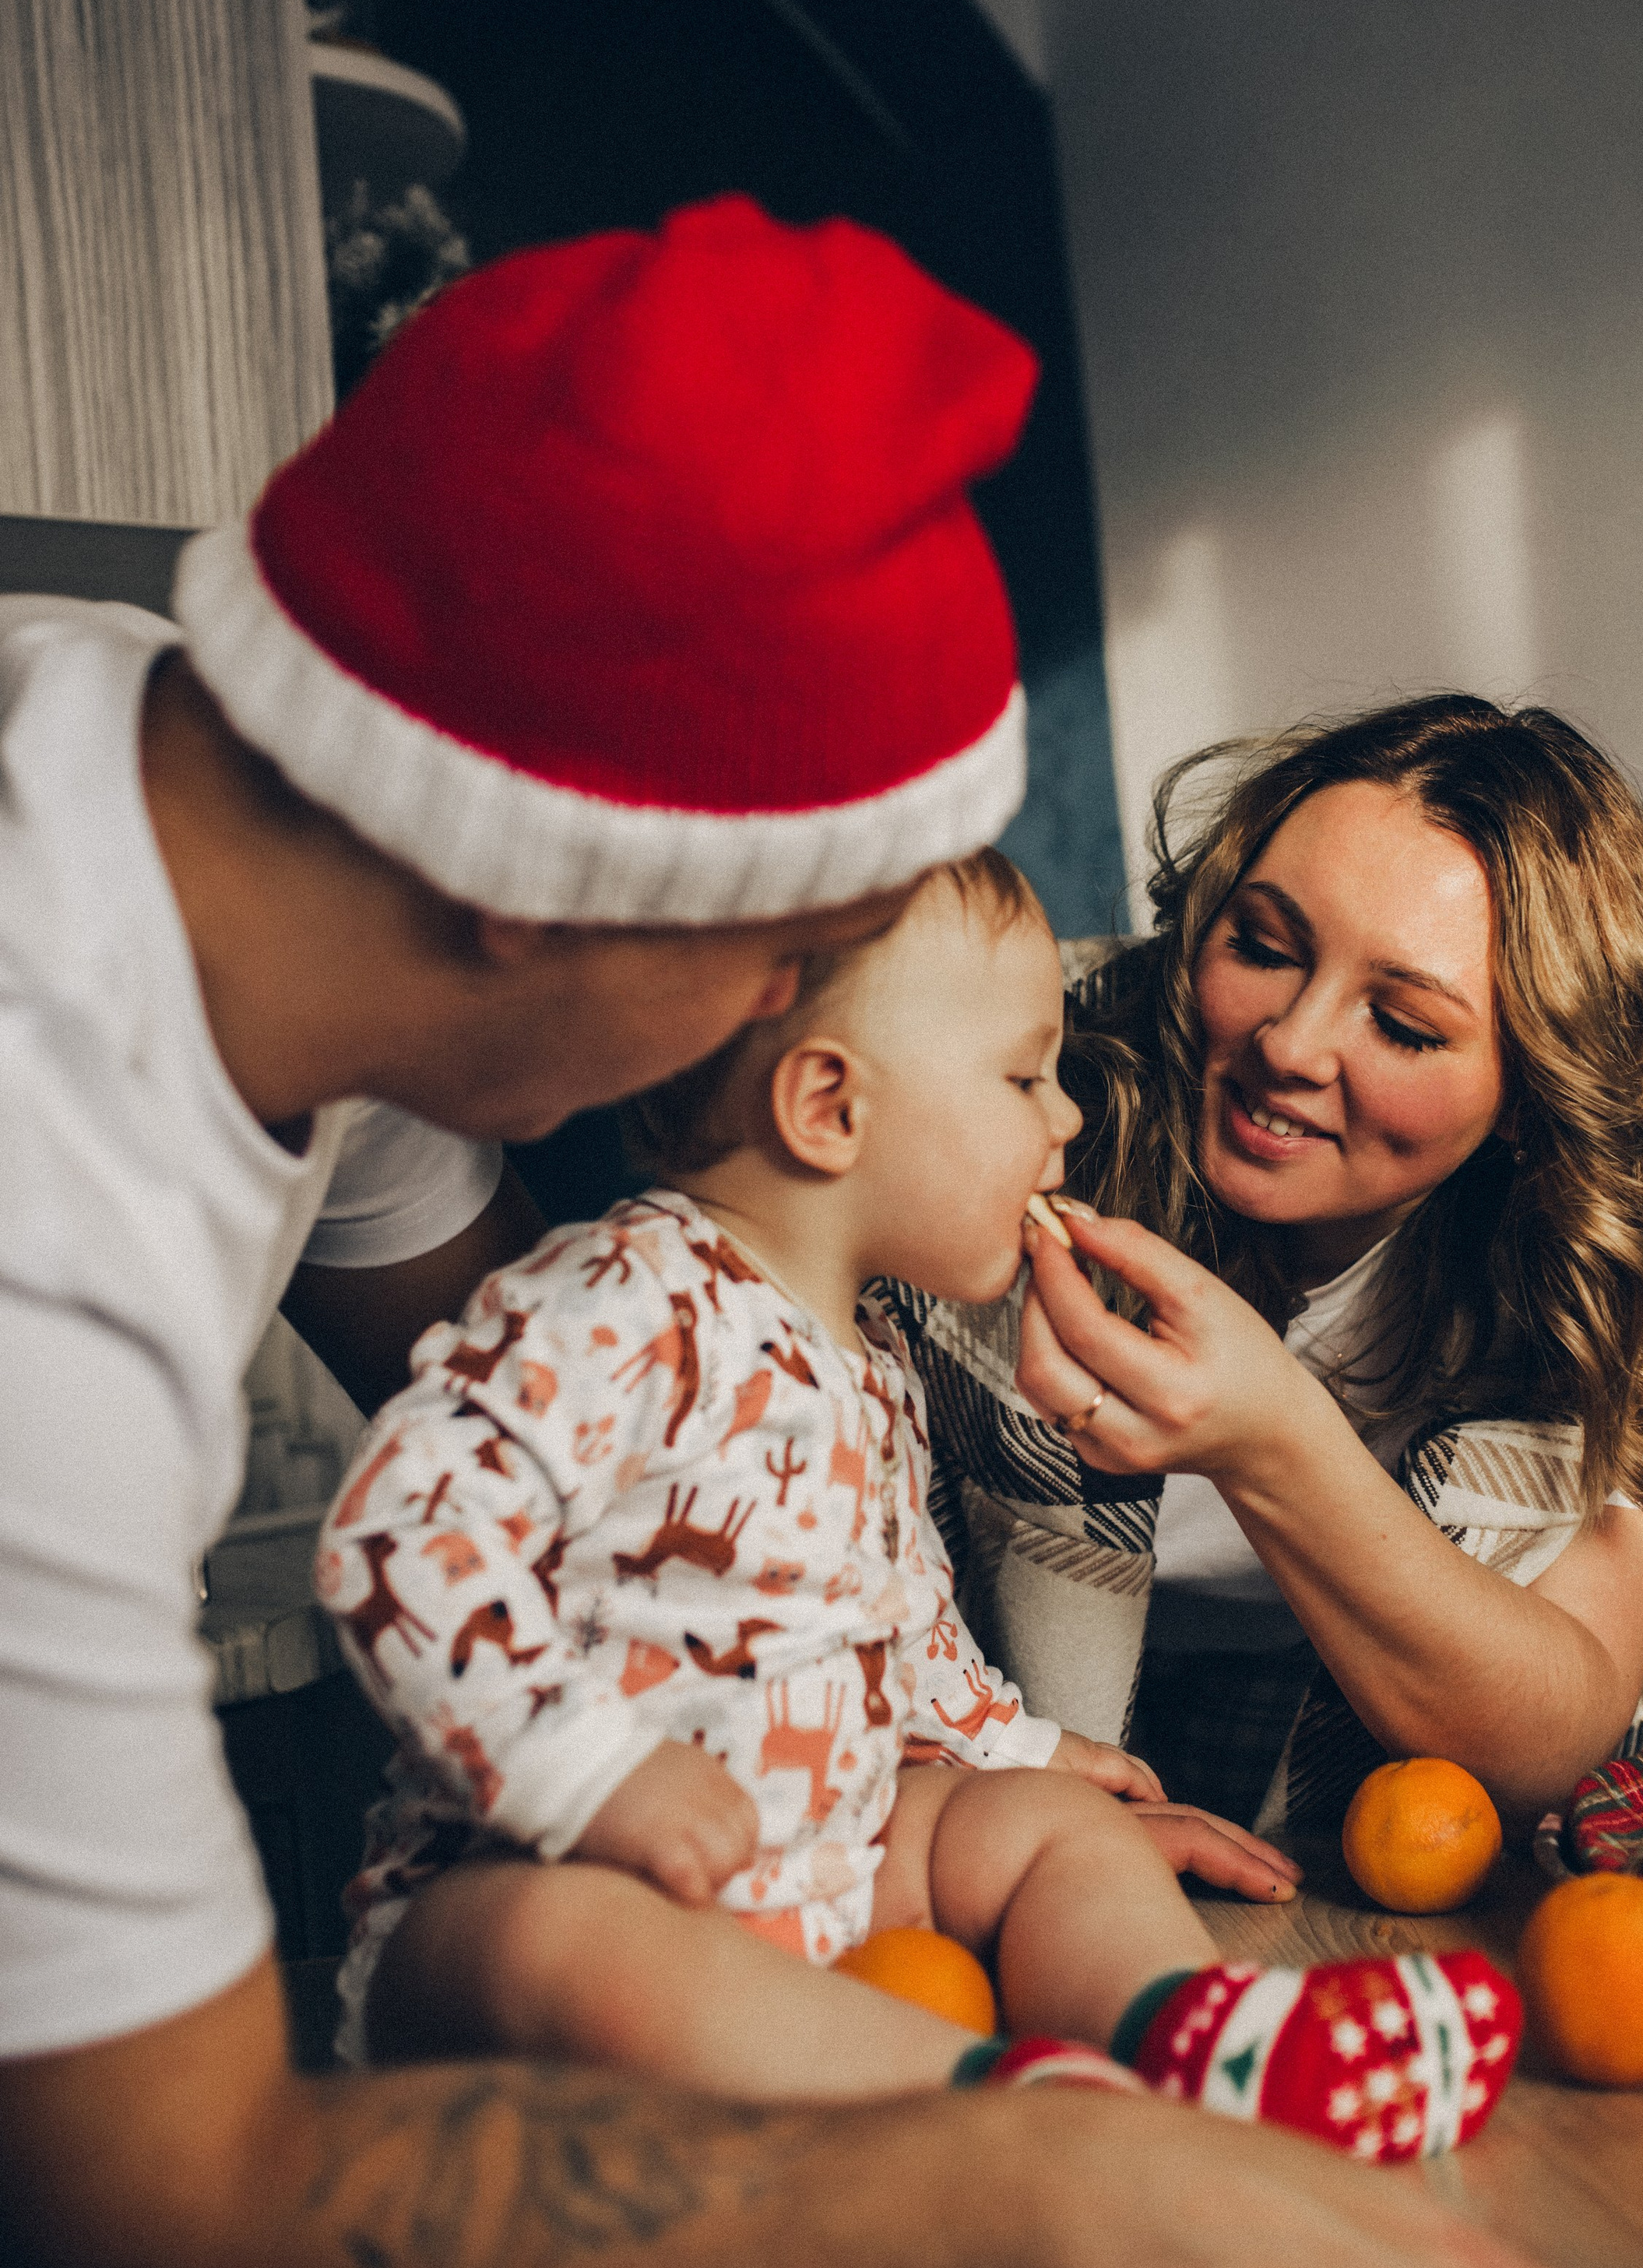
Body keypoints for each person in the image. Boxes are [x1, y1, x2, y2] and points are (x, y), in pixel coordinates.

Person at [0, 200, 1631, 2268]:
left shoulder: (229, 832)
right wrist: (1074, 2198)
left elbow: (668, 1470)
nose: (784, 1045)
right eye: (796, 960)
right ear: (530, 882)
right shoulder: (30, 1254)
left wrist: (959, 1758)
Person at [316, 851, 1522, 2163]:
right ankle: (1013, 2115)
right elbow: (399, 1533)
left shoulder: (872, 1352)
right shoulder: (622, 1302)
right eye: (1024, 1080)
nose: (1065, 1124)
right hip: (538, 1906)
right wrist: (586, 1774)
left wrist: (1018, 1752)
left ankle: (1198, 2034)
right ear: (831, 1108)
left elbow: (900, 1618)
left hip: (813, 1880)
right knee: (564, 1942)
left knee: (1040, 1831)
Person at [899, 702, 1643, 1841]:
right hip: (1001, 1762)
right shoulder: (1015, 1080)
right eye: (1265, 949)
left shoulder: (1639, 1247)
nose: (1289, 1043)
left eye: (1404, 1026)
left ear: (1536, 1096)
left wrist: (1269, 1437)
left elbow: (1553, 1731)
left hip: (1414, 1803)